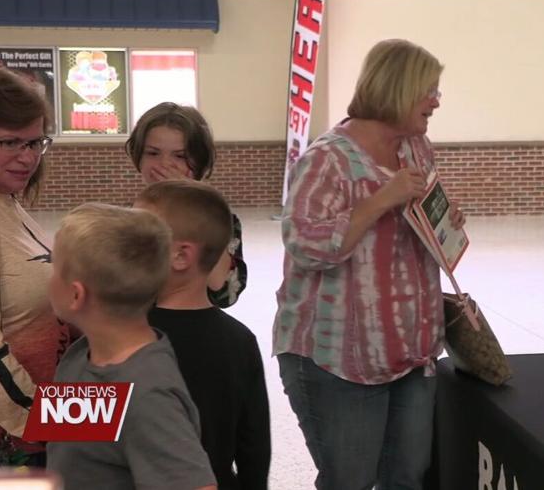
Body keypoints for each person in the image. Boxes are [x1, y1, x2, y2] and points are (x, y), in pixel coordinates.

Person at [273, 38, 465, 490]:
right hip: (337, 360)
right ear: (396, 88)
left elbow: (416, 225)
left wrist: (444, 221)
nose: (436, 101)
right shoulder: (327, 159)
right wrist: (380, 200)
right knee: (351, 482)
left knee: (406, 478)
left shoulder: (416, 147)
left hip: (411, 354)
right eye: (428, 89)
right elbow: (305, 244)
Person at [45, 203, 216, 490]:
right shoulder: (79, 356)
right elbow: (67, 457)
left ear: (76, 295)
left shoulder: (148, 395)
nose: (47, 278)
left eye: (52, 267)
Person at [135, 180, 270, 489]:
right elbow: (254, 449)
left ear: (180, 256)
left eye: (136, 235)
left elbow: (72, 438)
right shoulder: (241, 339)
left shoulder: (116, 329)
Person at [0, 68, 70, 465]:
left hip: (37, 422)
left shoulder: (5, 200)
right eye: (10, 142)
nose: (28, 156)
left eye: (36, 142)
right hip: (5, 444)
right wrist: (64, 424)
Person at [125, 102, 247, 308]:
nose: (165, 164)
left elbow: (225, 291)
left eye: (180, 156)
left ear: (200, 161)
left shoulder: (217, 218)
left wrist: (195, 203)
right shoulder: (126, 219)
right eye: (153, 153)